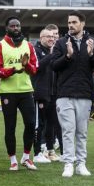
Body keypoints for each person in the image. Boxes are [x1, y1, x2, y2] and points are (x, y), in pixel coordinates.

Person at [50, 11, 94, 178]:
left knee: (82, 132)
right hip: (64, 93)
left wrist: (90, 54)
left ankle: (81, 163)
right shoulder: (61, 43)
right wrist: (67, 56)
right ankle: (68, 163)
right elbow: (53, 65)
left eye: (74, 22)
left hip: (84, 94)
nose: (71, 25)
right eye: (69, 23)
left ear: (82, 23)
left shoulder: (93, 43)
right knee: (68, 130)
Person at [0, 16, 40, 171]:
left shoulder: (28, 46)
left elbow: (34, 69)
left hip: (26, 91)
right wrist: (14, 69)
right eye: (12, 26)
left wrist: (26, 66)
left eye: (18, 26)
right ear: (6, 28)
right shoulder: (0, 46)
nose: (16, 28)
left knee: (31, 124)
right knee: (10, 127)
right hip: (8, 92)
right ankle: (13, 159)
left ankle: (26, 157)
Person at [32, 25, 61, 163]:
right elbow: (36, 67)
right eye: (48, 36)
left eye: (53, 36)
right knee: (39, 125)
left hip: (52, 93)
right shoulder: (36, 50)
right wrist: (51, 55)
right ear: (41, 38)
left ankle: (50, 151)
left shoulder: (52, 52)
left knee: (52, 124)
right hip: (40, 93)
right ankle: (37, 153)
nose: (51, 39)